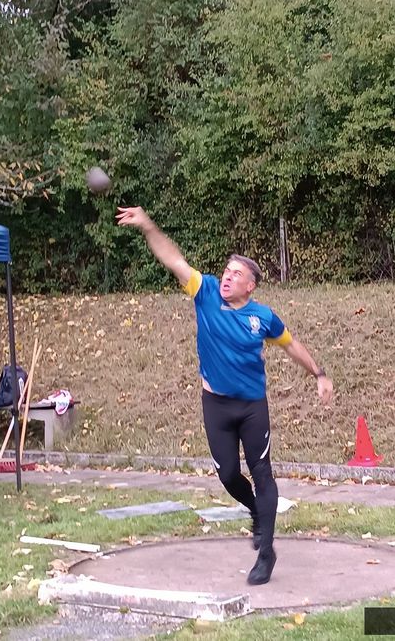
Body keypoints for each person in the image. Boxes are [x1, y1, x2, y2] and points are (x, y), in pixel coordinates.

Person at [117, 206, 333, 585]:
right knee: (229, 475)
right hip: (216, 405)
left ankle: (266, 553)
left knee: (262, 473)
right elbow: (173, 259)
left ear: (250, 286)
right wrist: (148, 225)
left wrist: (319, 373)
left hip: (251, 407)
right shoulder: (204, 292)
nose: (227, 277)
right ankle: (255, 511)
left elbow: (290, 345)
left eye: (236, 274)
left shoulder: (263, 317)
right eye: (227, 271)